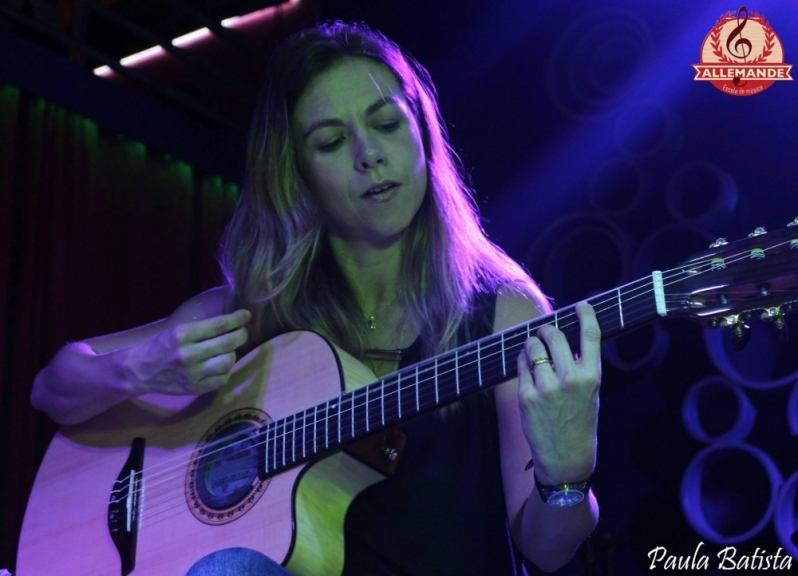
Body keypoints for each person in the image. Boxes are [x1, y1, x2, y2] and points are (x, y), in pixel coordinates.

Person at [31, 21, 601, 575]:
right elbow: (54, 387)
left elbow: (548, 551)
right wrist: (139, 370)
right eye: (330, 142)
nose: (368, 155)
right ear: (296, 174)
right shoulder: (254, 315)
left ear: (422, 135)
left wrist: (566, 477)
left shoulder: (503, 314)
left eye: (387, 124)